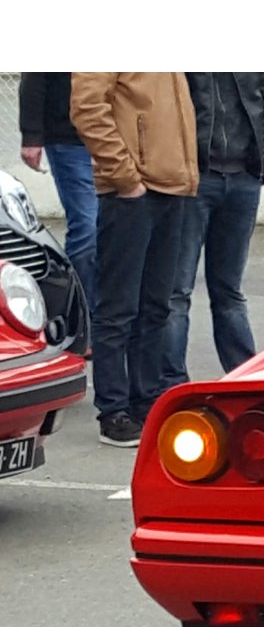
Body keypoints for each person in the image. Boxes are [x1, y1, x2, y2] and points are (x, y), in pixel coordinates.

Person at [71, 73, 197, 448]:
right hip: (131, 193)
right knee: (118, 307)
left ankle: (147, 401)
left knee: (155, 305)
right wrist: (126, 179)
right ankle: (113, 410)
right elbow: (88, 108)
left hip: (172, 187)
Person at [162, 74, 264, 389]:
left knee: (228, 289)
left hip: (243, 179)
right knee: (178, 290)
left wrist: (260, 165)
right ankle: (173, 383)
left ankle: (244, 376)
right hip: (196, 179)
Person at [18, 73, 99, 311]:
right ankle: (80, 311)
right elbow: (35, 78)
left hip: (116, 137)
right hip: (69, 140)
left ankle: (105, 316)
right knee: (88, 228)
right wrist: (31, 135)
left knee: (114, 230)